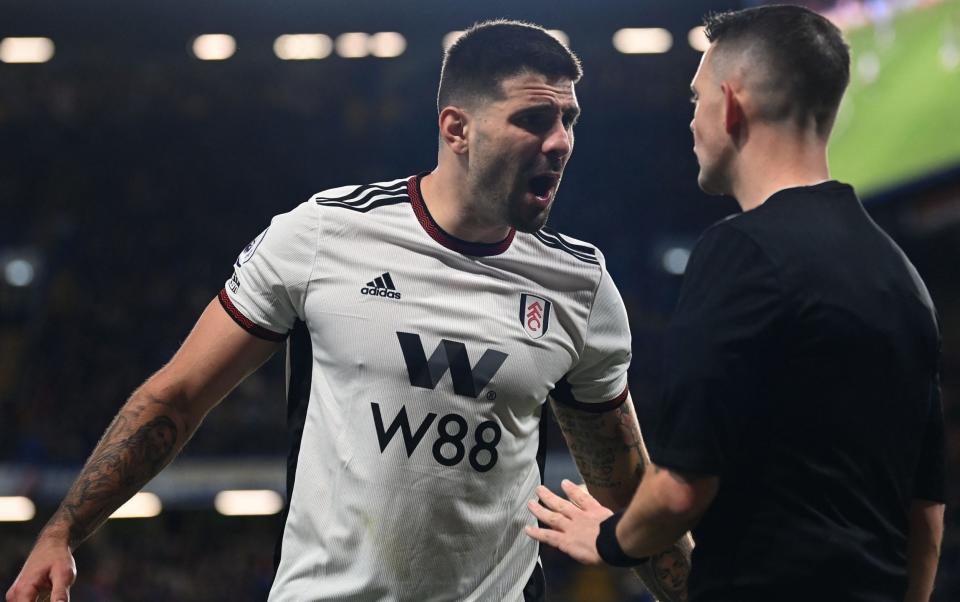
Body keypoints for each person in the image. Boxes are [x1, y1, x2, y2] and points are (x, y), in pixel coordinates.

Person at [6, 20, 687, 602]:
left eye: (569, 119)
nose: (561, 140)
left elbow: (626, 486)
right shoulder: (325, 234)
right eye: (535, 118)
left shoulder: (578, 284)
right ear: (457, 129)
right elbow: (179, 395)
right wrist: (64, 529)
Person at [525, 5, 946, 602]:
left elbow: (680, 490)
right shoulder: (903, 278)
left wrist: (609, 540)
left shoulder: (739, 252)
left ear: (731, 103)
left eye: (696, 100)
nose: (692, 122)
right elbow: (926, 515)